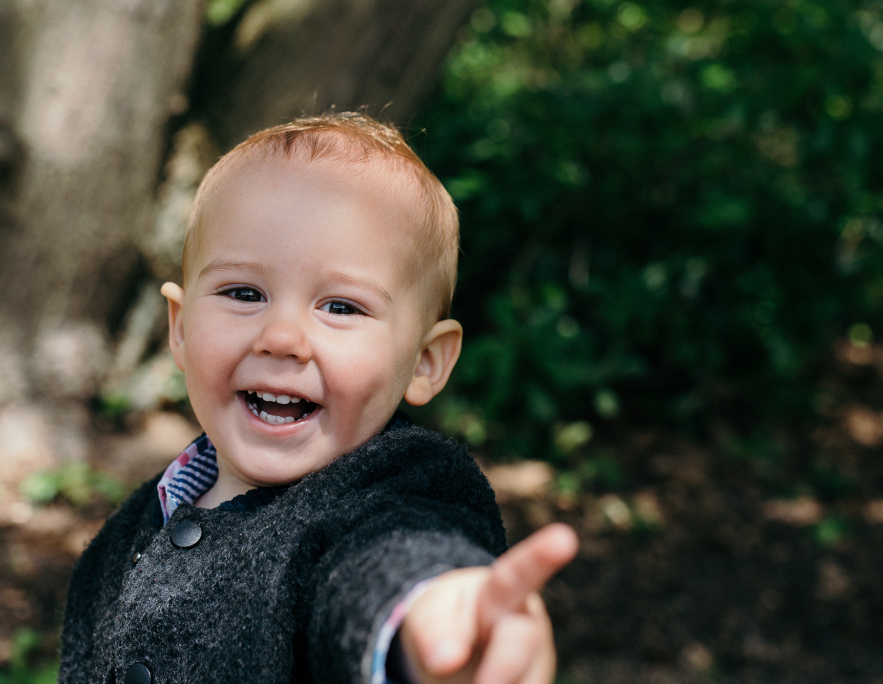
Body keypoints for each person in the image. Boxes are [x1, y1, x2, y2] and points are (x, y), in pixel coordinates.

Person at [58, 112, 578, 684]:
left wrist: (429, 614)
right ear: (180, 328)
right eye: (244, 293)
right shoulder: (130, 530)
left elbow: (386, 558)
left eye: (341, 307)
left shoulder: (393, 487)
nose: (282, 337)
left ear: (425, 361)